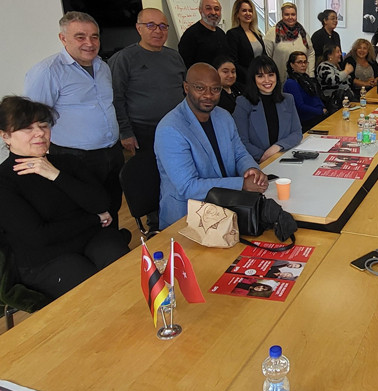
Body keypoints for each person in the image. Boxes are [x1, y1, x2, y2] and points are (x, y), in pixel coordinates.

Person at [0, 96, 129, 300]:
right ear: (5, 136)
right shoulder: (4, 181)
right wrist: (93, 219)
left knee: (125, 268)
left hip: (90, 239)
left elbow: (101, 202)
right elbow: (39, 237)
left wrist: (55, 175)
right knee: (94, 290)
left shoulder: (67, 162)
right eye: (27, 128)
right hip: (45, 258)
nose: (40, 133)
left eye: (43, 125)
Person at [25, 11, 123, 227]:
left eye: (94, 36)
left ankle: (114, 244)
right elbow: (34, 120)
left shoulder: (103, 67)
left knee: (112, 206)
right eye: (80, 37)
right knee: (85, 213)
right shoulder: (47, 71)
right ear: (63, 38)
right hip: (74, 158)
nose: (89, 43)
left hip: (111, 152)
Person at [154, 63, 268, 229]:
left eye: (215, 89)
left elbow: (240, 154)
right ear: (186, 88)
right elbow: (188, 187)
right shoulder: (170, 129)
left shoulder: (223, 116)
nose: (208, 95)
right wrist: (241, 184)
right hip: (187, 220)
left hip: (229, 207)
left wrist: (251, 170)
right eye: (200, 88)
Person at [109, 8, 185, 157]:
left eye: (163, 26)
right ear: (139, 28)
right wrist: (125, 132)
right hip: (143, 132)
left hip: (176, 127)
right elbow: (116, 98)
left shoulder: (175, 57)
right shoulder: (124, 58)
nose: (158, 31)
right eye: (151, 25)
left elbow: (185, 90)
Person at [233, 56, 303, 163]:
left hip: (284, 157)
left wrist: (277, 147)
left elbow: (297, 133)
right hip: (256, 162)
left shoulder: (288, 99)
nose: (267, 80)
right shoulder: (243, 102)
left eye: (270, 75)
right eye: (260, 76)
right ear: (253, 78)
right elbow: (241, 141)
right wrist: (265, 156)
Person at [264, 2, 314, 81]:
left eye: (293, 14)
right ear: (282, 15)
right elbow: (266, 58)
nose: (290, 17)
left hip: (302, 80)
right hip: (279, 78)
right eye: (287, 14)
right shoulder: (272, 33)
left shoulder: (303, 33)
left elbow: (310, 53)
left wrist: (310, 74)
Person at [283, 51, 328, 132]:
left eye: (305, 62)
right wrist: (320, 111)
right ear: (292, 65)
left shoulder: (306, 79)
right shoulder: (291, 83)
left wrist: (323, 108)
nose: (303, 65)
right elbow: (300, 106)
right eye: (299, 62)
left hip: (317, 115)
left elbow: (315, 97)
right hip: (307, 121)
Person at [226, 0, 267, 87]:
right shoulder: (233, 34)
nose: (248, 13)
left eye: (250, 11)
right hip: (244, 81)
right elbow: (233, 61)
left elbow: (264, 56)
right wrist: (251, 75)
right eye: (244, 10)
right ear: (237, 14)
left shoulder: (257, 33)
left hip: (260, 79)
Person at [178, 0, 229, 68]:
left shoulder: (221, 33)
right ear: (200, 11)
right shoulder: (190, 35)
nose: (213, 12)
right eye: (208, 8)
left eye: (216, 9)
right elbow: (185, 66)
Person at [316, 44, 355, 108]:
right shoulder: (324, 66)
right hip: (334, 101)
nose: (340, 54)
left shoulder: (336, 66)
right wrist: (346, 71)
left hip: (345, 99)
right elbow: (332, 81)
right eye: (338, 52)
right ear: (330, 55)